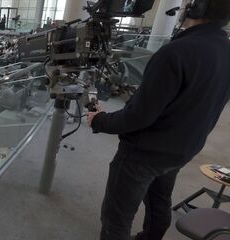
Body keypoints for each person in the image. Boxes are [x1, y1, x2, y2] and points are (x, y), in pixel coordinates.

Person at [86, 2, 230, 240]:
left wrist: (99, 120)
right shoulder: (226, 51)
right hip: (182, 149)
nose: (184, 7)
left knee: (116, 219)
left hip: (143, 155)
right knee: (159, 202)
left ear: (197, 10)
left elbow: (139, 116)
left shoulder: (175, 52)